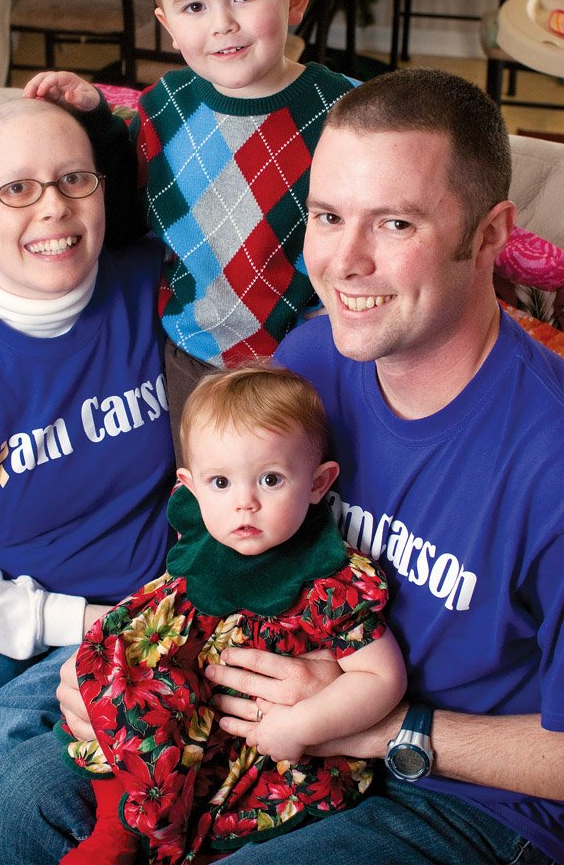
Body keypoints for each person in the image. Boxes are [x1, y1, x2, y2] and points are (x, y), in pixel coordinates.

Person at [49, 68, 563, 865]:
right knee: (0, 782)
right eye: (327, 216)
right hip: (254, 715)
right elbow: (217, 541)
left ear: (491, 234)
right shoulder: (313, 358)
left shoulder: (549, 459)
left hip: (466, 804)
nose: (343, 262)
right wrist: (121, 662)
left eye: (394, 224)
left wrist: (384, 727)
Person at [0, 99, 175, 865]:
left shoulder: (160, 289)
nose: (52, 206)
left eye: (73, 179)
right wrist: (74, 620)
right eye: (15, 189)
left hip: (137, 603)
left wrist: (97, 102)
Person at [24, 0, 358, 458]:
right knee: (206, 496)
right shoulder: (165, 107)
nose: (223, 24)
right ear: (168, 25)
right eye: (194, 7)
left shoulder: (345, 111)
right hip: (190, 353)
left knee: (310, 487)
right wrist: (97, 126)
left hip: (311, 354)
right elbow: (126, 223)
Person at [57, 363, 406, 865]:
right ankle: (117, 828)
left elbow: (381, 676)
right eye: (220, 482)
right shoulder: (200, 537)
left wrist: (304, 725)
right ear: (191, 488)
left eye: (270, 479)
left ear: (317, 482)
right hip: (183, 698)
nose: (244, 504)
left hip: (256, 732)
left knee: (234, 800)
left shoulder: (328, 578)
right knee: (124, 699)